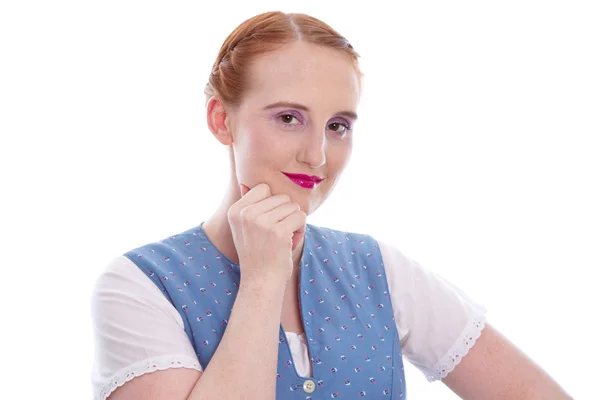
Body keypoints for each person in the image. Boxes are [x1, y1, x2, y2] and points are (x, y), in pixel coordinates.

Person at [90, 10, 572, 400]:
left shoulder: (378, 269)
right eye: (288, 117)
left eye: (338, 125)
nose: (317, 155)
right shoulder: (139, 286)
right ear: (222, 120)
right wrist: (261, 280)